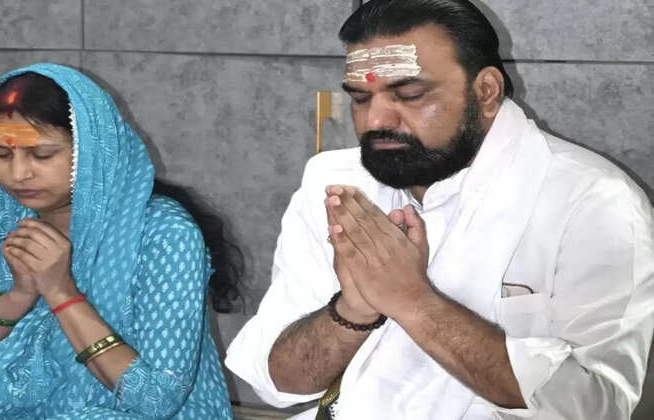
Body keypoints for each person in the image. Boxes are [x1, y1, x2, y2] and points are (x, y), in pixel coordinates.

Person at [225, 1, 654, 419]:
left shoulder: (592, 201)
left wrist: (414, 302)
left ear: (486, 91)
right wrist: (351, 311)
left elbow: (597, 407)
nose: (375, 121)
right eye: (360, 98)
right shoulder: (337, 181)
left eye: (410, 95)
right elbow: (276, 383)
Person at [0, 63, 235, 419]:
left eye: (42, 155)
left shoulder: (164, 233)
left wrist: (61, 293)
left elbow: (156, 399)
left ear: (92, 151)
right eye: (2, 153)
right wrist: (15, 300)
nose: (19, 173)